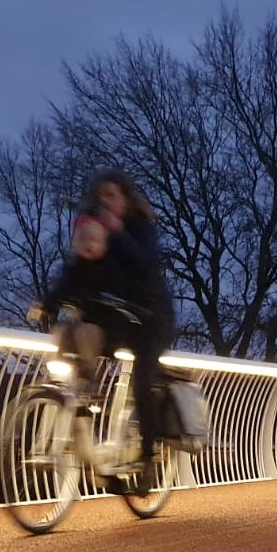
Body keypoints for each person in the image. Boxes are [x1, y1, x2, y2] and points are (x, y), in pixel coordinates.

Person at [36, 170, 177, 492]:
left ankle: (147, 458)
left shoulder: (139, 230)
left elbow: (145, 265)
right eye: (101, 197)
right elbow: (72, 278)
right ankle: (84, 409)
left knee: (142, 379)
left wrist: (119, 234)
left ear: (126, 199)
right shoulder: (95, 236)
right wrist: (47, 303)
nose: (106, 202)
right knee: (75, 333)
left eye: (112, 196)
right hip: (119, 319)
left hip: (151, 319)